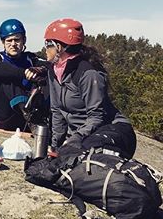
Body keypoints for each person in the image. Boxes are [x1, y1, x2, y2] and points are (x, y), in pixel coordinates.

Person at [44, 18, 137, 158]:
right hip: (85, 134)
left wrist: (76, 138)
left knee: (82, 154)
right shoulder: (54, 71)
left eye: (47, 44)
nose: (45, 49)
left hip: (112, 131)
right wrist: (56, 146)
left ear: (59, 47)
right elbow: (57, 111)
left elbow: (96, 117)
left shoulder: (88, 73)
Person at [0, 19, 48, 130]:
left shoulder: (30, 59)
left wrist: (38, 71)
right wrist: (23, 73)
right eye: (9, 40)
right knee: (6, 78)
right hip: (2, 115)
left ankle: (38, 115)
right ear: (3, 42)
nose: (13, 44)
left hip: (23, 118)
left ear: (24, 40)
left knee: (44, 79)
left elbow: (50, 66)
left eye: (17, 40)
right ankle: (28, 114)